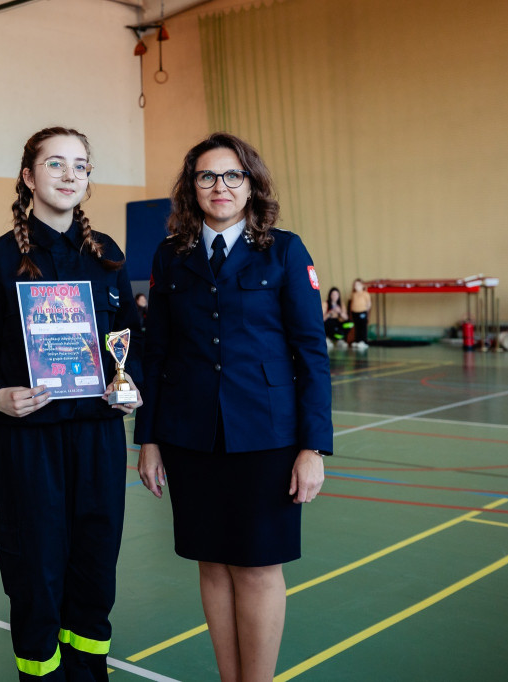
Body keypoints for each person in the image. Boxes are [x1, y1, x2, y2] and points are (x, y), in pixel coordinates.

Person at [134, 132, 331, 682]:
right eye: (206, 176)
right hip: (190, 435)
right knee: (213, 563)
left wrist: (312, 447)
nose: (219, 186)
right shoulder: (171, 256)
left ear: (251, 184)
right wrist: (148, 439)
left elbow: (311, 352)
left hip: (267, 436)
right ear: (191, 186)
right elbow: (158, 351)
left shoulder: (285, 250)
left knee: (259, 567)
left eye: (232, 176)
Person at [0, 127, 143, 680]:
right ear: (28, 176)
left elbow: (132, 342)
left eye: (80, 166)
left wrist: (129, 386)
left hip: (98, 441)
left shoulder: (107, 254)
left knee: (94, 575)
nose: (69, 175)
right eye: (56, 164)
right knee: (35, 578)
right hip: (30, 443)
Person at [349, 278, 371, 349]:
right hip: (355, 313)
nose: (356, 286)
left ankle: (363, 341)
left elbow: (368, 303)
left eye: (358, 284)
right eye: (355, 285)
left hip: (362, 312)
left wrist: (366, 312)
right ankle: (358, 341)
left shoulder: (365, 294)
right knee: (357, 327)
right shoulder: (354, 294)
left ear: (362, 286)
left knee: (362, 327)